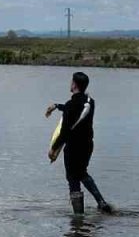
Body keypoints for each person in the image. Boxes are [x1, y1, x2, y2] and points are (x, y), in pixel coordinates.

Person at [46, 71, 113, 215]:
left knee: (72, 178)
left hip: (73, 147)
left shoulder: (71, 105)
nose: (70, 84)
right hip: (88, 145)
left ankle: (78, 217)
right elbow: (77, 108)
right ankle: (101, 203)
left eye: (71, 82)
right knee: (82, 173)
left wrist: (54, 148)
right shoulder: (90, 102)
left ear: (74, 84)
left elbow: (65, 131)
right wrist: (58, 106)